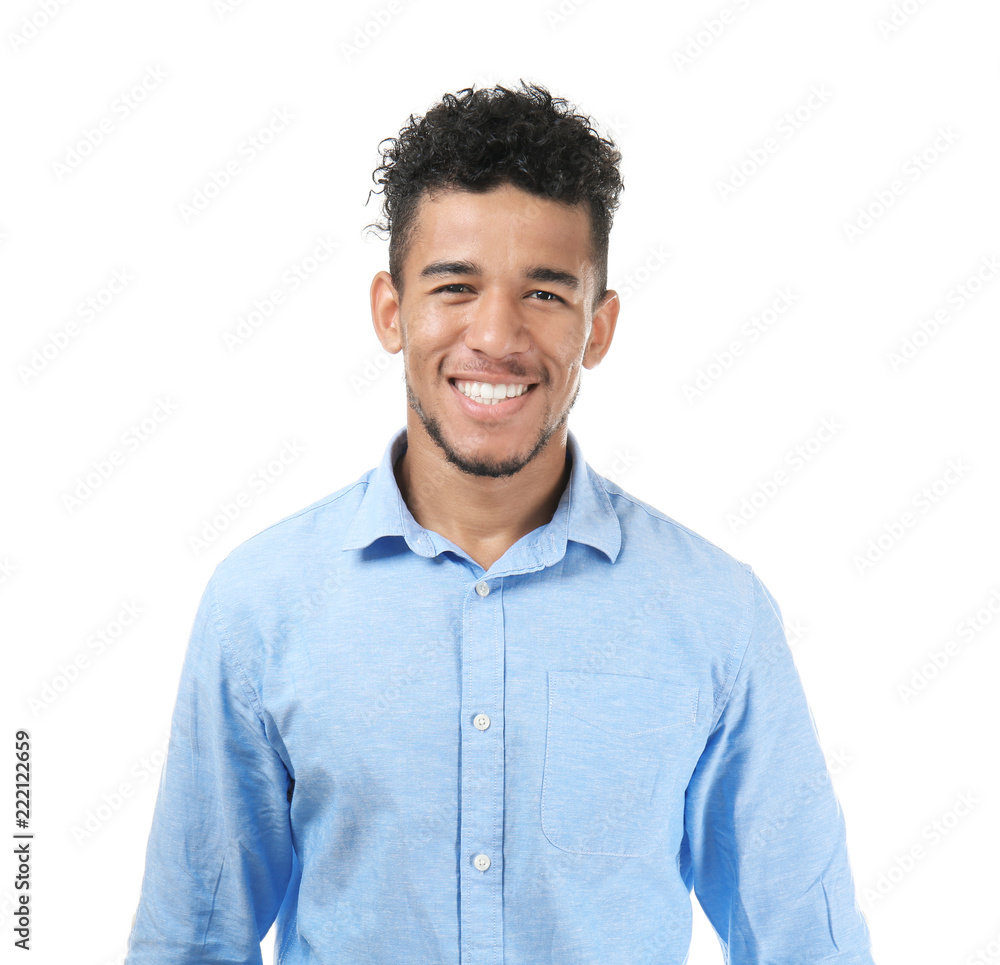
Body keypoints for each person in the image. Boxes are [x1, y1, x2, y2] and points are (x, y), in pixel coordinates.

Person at [124, 81, 876, 964]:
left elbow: (805, 945)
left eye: (545, 295)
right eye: (454, 285)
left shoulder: (717, 615)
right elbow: (190, 941)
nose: (496, 334)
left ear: (599, 327)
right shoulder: (260, 605)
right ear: (390, 310)